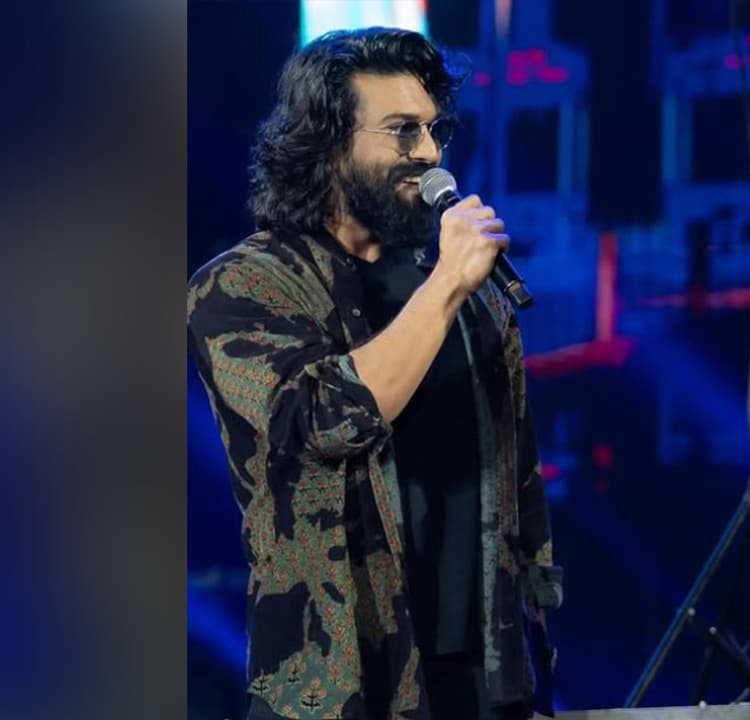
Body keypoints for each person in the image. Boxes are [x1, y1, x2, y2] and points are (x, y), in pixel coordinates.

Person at [187, 28, 560, 720]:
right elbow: (322, 421)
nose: (429, 153)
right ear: (329, 145)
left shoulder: (474, 298)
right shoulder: (241, 288)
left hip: (483, 676)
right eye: (402, 130)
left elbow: (519, 481)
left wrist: (533, 654)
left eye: (435, 129)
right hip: (337, 681)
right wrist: (446, 285)